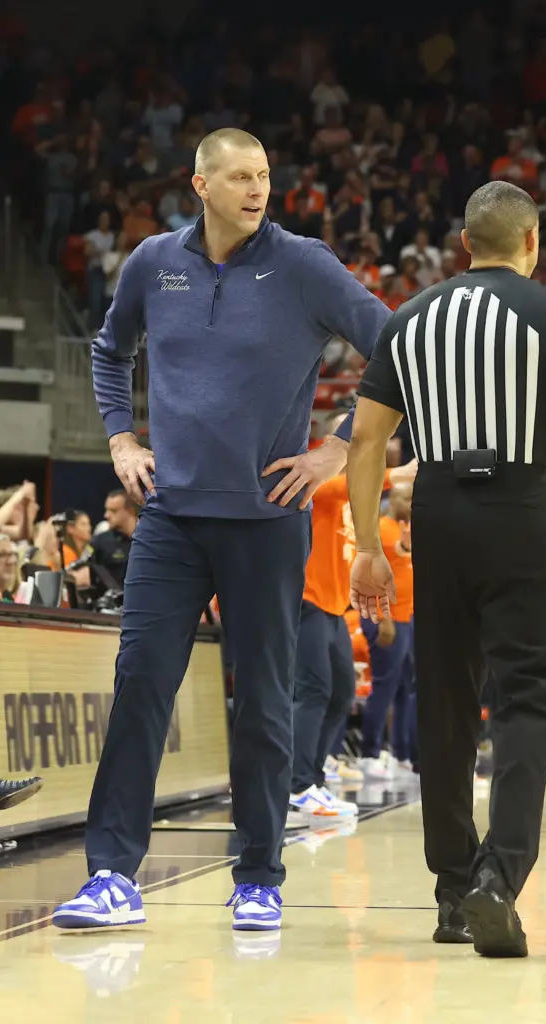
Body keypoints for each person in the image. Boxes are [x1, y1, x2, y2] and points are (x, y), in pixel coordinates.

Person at [52, 129, 390, 934]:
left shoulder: (303, 264)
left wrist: (337, 448)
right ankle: (111, 876)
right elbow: (109, 352)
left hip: (267, 520)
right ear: (199, 185)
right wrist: (121, 440)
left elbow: (397, 350)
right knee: (140, 682)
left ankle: (259, 877)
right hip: (171, 517)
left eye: (263, 176)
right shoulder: (153, 262)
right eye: (239, 176)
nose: (256, 189)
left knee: (265, 700)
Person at [346, 180, 546, 957]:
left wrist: (367, 546)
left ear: (464, 244)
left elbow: (366, 440)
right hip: (519, 507)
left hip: (436, 513)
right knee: (532, 693)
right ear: (531, 242)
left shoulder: (409, 317)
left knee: (446, 703)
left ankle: (451, 894)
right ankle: (498, 875)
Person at [289, 409, 416, 817]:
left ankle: (314, 777)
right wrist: (400, 474)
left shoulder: (351, 496)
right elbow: (352, 484)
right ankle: (296, 786)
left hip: (332, 607)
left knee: (342, 692)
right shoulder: (317, 478)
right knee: (313, 691)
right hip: (305, 601)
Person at [359, 485, 416, 779]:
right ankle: (369, 754)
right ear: (391, 500)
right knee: (384, 686)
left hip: (407, 618)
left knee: (406, 688)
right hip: (385, 618)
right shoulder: (382, 528)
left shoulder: (410, 530)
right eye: (405, 496)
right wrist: (384, 618)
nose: (410, 501)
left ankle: (400, 753)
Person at [91, 490, 138, 588]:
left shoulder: (148, 539)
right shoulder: (100, 541)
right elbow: (83, 569)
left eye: (113, 511)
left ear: (130, 511)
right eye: (106, 510)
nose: (106, 515)